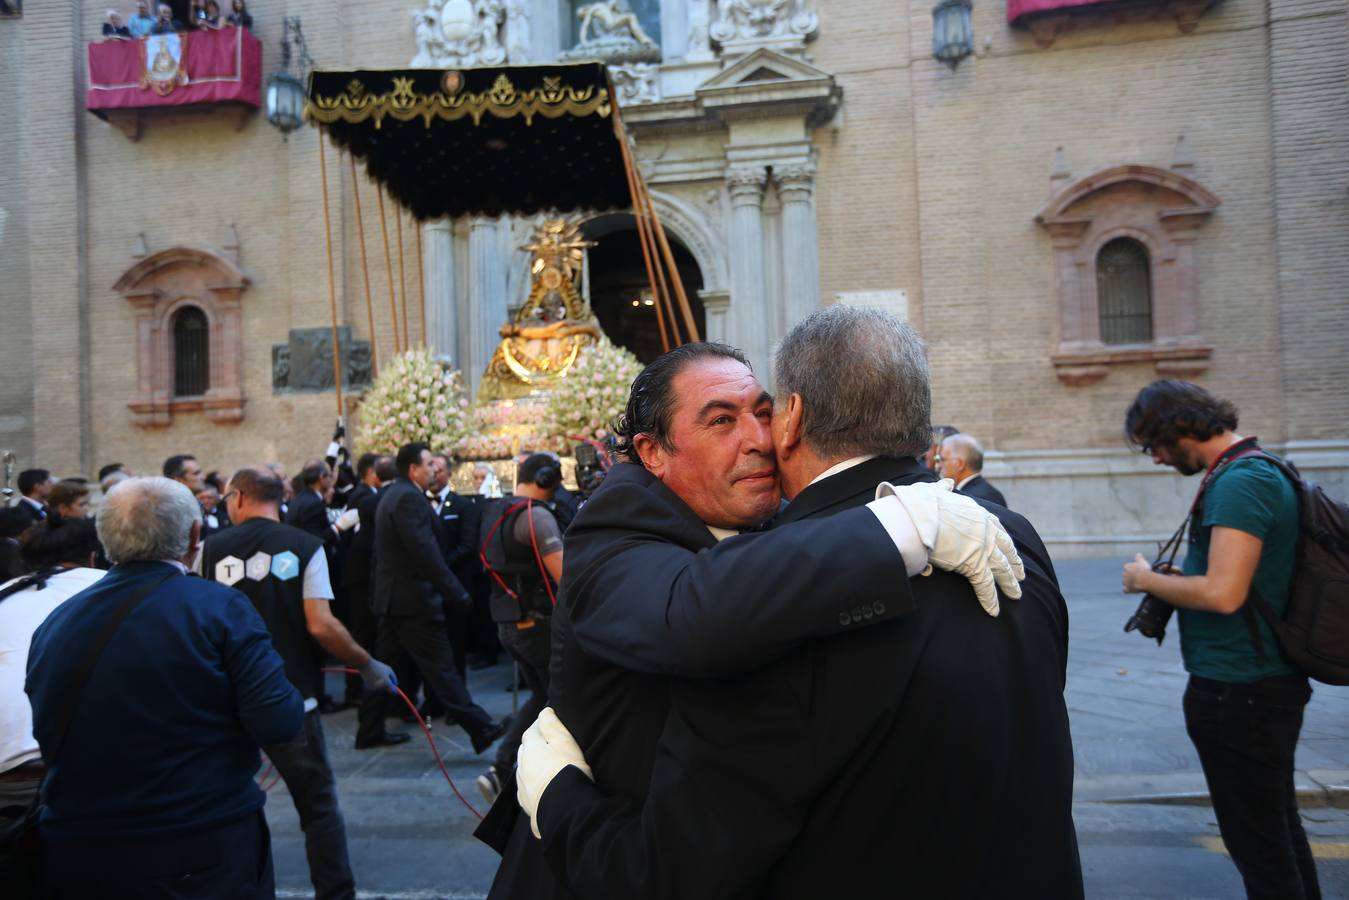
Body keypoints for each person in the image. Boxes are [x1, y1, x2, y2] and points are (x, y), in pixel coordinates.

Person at [510, 308, 1081, 899]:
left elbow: (673, 870)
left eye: (762, 411)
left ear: (792, 419)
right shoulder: (1001, 534)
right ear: (652, 452)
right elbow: (693, 611)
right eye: (721, 421)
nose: (757, 438)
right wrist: (901, 524)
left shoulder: (921, 543)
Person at [25, 477, 303, 898]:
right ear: (195, 535)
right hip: (196, 846)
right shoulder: (218, 607)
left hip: (76, 848)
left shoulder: (57, 620)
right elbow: (279, 720)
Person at [1120, 379, 1319, 900]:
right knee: (1276, 832)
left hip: (1241, 690)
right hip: (1256, 685)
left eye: (1155, 445)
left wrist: (1146, 580)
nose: (1158, 459)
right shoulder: (1255, 469)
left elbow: (1225, 593)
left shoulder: (1241, 481)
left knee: (1260, 846)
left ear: (1180, 426)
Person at [201, 466, 398, 900]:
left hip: (224, 699)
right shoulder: (306, 546)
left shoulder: (209, 550)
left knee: (220, 804)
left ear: (236, 498)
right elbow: (321, 625)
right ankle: (335, 893)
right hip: (290, 695)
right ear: (280, 498)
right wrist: (368, 665)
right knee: (318, 808)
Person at [354, 443, 508, 752]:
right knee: (441, 667)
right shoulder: (408, 498)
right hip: (412, 602)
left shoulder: (395, 495)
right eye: (428, 465)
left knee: (383, 667)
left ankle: (369, 730)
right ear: (413, 469)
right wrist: (456, 593)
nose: (434, 470)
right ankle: (480, 727)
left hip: (396, 600)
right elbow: (425, 553)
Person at [0, 516, 105, 825]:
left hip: (7, 774)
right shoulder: (109, 590)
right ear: (93, 556)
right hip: (83, 774)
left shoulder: (6, 594)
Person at [476, 453, 564, 804]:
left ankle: (502, 771)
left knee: (542, 697)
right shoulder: (536, 516)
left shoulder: (495, 510)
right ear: (545, 480)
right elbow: (566, 577)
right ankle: (511, 771)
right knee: (560, 698)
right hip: (537, 625)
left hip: (507, 624)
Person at [940, 431, 1008, 507]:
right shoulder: (985, 492)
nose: (939, 465)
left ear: (959, 464)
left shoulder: (969, 499)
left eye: (942, 459)